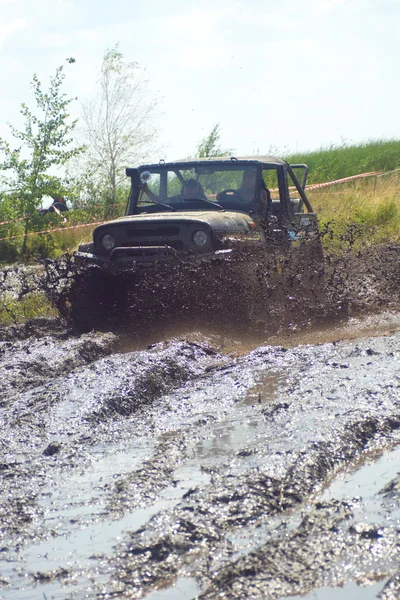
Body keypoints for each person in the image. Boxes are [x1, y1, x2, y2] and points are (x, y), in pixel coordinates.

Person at [141, 178, 207, 203]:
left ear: (198, 189)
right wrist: (147, 190)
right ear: (183, 189)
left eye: (193, 187)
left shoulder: (204, 202)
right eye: (187, 187)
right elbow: (160, 201)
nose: (189, 190)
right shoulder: (177, 199)